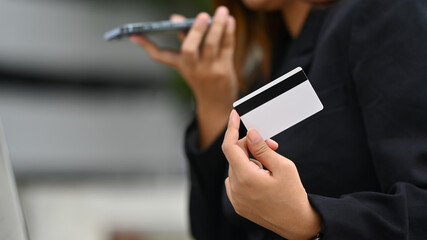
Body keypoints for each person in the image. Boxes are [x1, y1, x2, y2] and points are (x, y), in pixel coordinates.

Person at [130, 0, 427, 239]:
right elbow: (215, 230)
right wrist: (213, 104)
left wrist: (312, 221)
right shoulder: (269, 64)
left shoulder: (384, 11)